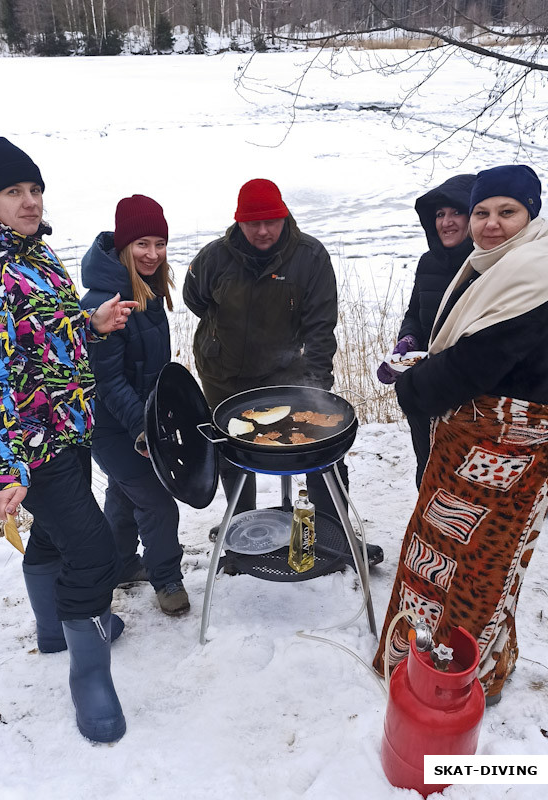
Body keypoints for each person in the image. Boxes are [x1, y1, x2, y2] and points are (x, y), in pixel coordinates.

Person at [0, 135, 138, 743]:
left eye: (35, 189)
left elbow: (45, 327)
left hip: (69, 424)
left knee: (58, 535)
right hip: (31, 445)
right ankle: (89, 678)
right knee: (94, 553)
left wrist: (88, 322)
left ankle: (51, 629)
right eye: (15, 191)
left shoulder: (35, 252)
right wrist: (4, 471)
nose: (30, 201)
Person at [371, 165, 548, 705]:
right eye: (483, 212)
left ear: (531, 214)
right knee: (474, 561)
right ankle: (484, 667)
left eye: (507, 212)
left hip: (508, 442)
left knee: (475, 570)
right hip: (480, 434)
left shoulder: (538, 273)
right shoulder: (493, 265)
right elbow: (454, 340)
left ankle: (452, 684)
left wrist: (412, 387)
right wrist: (416, 351)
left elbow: (479, 360)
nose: (489, 224)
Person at [183, 178, 383, 566]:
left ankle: (333, 530)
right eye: (252, 223)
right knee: (231, 451)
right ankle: (242, 526)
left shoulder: (309, 257)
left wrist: (318, 391)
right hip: (223, 375)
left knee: (319, 447)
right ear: (238, 221)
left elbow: (321, 328)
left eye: (271, 221)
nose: (262, 231)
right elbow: (196, 300)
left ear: (284, 215)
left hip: (284, 375)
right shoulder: (214, 258)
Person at [80, 194, 189, 616]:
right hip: (111, 426)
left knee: (125, 493)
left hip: (138, 419)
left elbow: (150, 367)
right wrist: (143, 427)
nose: (153, 253)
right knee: (156, 499)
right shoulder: (104, 303)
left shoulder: (148, 291)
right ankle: (167, 580)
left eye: (160, 243)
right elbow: (107, 381)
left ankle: (122, 563)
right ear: (125, 246)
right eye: (143, 244)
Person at [377, 174, 476, 488]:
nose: (446, 222)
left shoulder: (489, 267)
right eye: (439, 214)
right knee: (428, 466)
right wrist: (408, 341)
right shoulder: (427, 262)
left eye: (455, 212)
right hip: (424, 386)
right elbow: (415, 315)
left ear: (475, 215)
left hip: (470, 396)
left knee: (465, 479)